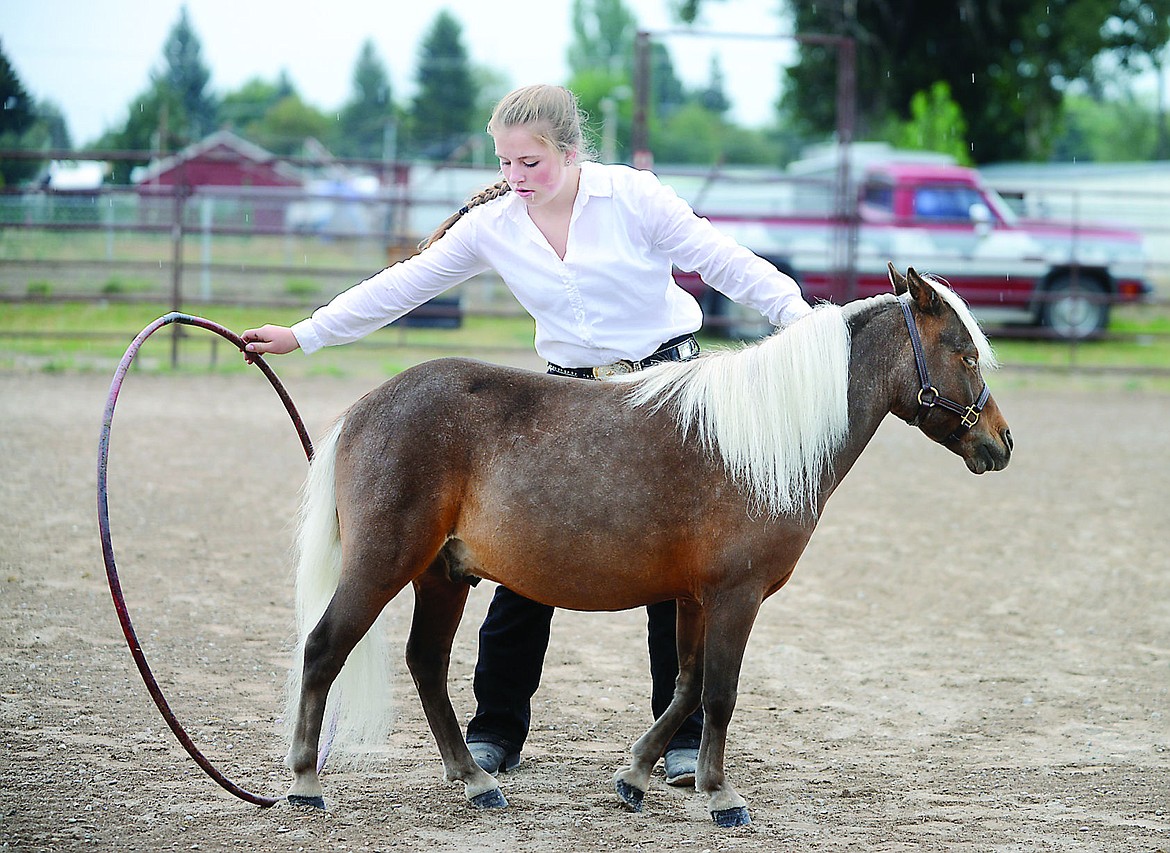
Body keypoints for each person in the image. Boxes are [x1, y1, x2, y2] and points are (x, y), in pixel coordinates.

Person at [241, 83, 812, 787]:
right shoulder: (493, 226)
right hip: (565, 397)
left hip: (668, 393)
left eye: (530, 163)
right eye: (505, 163)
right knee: (524, 558)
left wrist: (802, 319)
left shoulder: (634, 197)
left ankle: (683, 740)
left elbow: (724, 260)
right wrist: (305, 334)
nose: (515, 177)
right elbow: (403, 286)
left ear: (570, 153)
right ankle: (494, 729)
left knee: (683, 573)